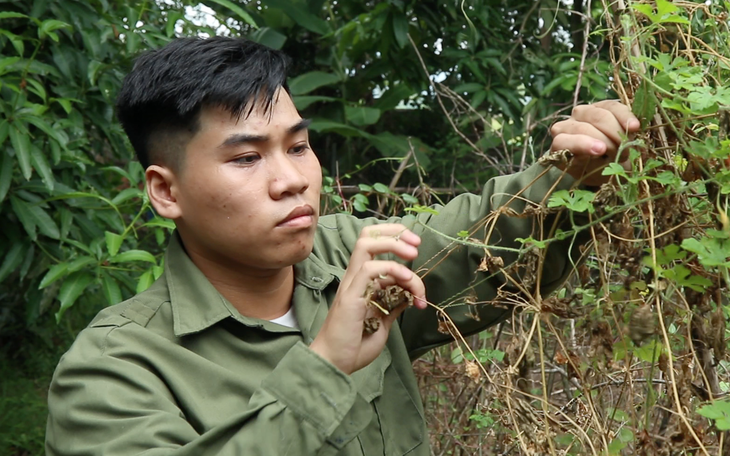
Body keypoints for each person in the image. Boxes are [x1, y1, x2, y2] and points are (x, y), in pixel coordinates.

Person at [45, 36, 639, 455]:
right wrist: (325, 365)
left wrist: (570, 177)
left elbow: (480, 241)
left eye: (299, 147)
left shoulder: (349, 259)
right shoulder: (113, 371)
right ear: (165, 191)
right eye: (247, 158)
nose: (291, 180)